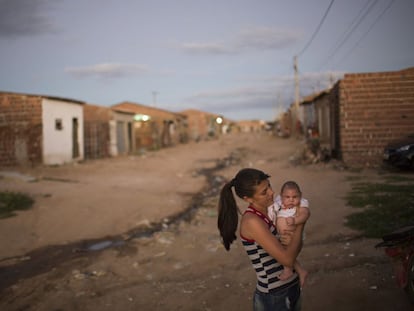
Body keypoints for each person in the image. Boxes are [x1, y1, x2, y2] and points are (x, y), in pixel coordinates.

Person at [218, 168, 309, 311]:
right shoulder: (252, 221)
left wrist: (294, 233)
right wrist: (300, 223)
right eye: (264, 192)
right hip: (274, 297)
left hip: (291, 288)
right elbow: (288, 260)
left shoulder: (273, 210)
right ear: (247, 199)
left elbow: (294, 248)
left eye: (269, 186)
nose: (272, 193)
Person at [268, 181, 310, 288]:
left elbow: (305, 214)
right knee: (282, 252)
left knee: (285, 253)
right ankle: (300, 271)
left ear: (300, 195)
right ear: (281, 197)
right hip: (282, 237)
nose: (291, 199)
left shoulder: (302, 203)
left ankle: (288, 270)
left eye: (295, 197)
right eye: (287, 197)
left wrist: (296, 220)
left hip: (292, 235)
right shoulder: (279, 203)